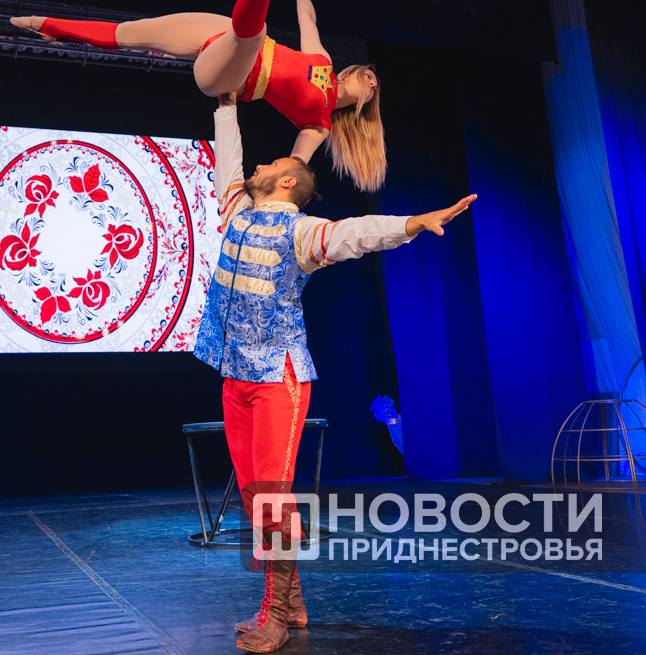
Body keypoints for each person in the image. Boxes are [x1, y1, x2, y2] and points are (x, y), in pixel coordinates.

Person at [193, 91, 475, 652]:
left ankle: (275, 614)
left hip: (278, 380)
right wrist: (226, 107)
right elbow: (228, 160)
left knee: (272, 498)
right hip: (234, 378)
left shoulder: (302, 233)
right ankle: (294, 602)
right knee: (253, 496)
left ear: (287, 183)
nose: (257, 165)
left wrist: (412, 223)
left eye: (271, 164)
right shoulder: (237, 210)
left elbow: (356, 233)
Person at [10, 0, 387, 192]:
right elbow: (309, 20)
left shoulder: (319, 124)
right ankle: (49, 26)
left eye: (373, 84)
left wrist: (270, 198)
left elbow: (295, 167)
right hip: (229, 33)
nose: (370, 80)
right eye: (368, 74)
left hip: (230, 74)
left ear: (368, 103)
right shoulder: (323, 61)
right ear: (353, 71)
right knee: (132, 32)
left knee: (254, 34)